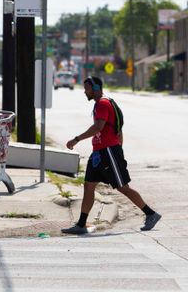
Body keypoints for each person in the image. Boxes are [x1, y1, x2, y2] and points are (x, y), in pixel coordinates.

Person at [61, 76, 161, 235]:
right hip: (99, 153)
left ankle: (151, 214)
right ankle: (81, 224)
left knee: (123, 187)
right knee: (88, 185)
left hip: (108, 152)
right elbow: (118, 129)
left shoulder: (103, 103)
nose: (84, 92)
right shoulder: (102, 104)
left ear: (95, 89)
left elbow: (97, 127)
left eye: (86, 88)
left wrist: (76, 139)